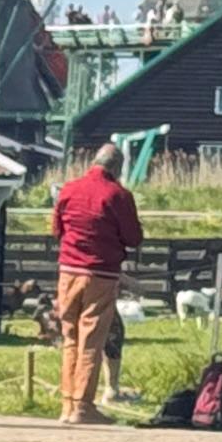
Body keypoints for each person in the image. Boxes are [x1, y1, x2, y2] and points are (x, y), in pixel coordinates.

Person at [50, 139, 141, 426]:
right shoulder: (118, 195)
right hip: (100, 274)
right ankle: (83, 407)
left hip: (67, 272)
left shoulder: (69, 189)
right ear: (117, 167)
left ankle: (67, 405)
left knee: (70, 338)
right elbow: (133, 238)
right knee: (92, 341)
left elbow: (56, 229)